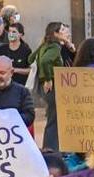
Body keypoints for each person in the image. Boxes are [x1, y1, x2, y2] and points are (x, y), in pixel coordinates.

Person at [30, 22, 72, 151]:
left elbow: (30, 58)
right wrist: (48, 79)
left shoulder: (45, 45)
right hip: (53, 87)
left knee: (52, 118)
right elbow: (45, 61)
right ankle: (50, 149)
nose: (67, 32)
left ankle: (51, 148)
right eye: (63, 29)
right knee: (54, 120)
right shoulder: (55, 46)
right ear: (56, 33)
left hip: (47, 88)